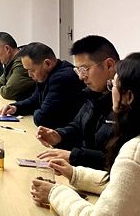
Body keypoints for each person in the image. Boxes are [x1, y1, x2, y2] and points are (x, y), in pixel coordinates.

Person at [30, 52, 140, 215]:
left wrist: (55, 193)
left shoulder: (134, 152)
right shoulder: (90, 96)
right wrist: (75, 174)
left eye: (113, 86)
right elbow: (125, 183)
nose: (81, 77)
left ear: (129, 96)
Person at [36, 35, 119, 169]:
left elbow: (120, 160)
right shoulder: (91, 94)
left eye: (85, 69)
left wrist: (74, 156)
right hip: (83, 171)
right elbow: (77, 126)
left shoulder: (125, 103)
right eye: (78, 70)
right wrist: (58, 136)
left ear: (109, 65)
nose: (81, 76)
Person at [0, 42, 85, 128]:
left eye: (32, 70)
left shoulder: (61, 79)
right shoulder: (46, 75)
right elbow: (34, 100)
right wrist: (15, 108)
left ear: (47, 64)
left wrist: (37, 110)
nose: (29, 75)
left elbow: (43, 119)